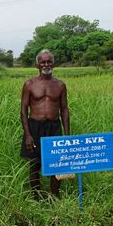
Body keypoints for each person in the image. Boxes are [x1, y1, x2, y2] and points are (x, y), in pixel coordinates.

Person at [20, 49, 70, 200]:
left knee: (57, 163)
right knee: (35, 163)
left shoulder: (60, 85)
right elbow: (23, 110)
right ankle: (36, 196)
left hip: (54, 127)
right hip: (35, 126)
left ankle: (54, 196)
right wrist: (28, 134)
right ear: (37, 64)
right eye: (43, 61)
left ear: (53, 64)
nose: (46, 64)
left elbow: (64, 110)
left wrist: (66, 136)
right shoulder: (29, 84)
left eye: (49, 61)